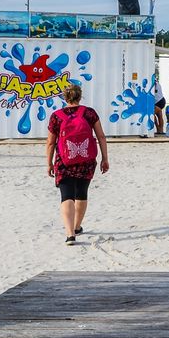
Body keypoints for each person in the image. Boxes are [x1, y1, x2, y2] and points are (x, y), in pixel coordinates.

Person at [46, 86, 108, 243]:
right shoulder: (89, 113)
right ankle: (77, 226)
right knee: (81, 192)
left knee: (66, 195)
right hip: (86, 159)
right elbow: (101, 136)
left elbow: (50, 143)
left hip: (64, 160)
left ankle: (70, 234)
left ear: (65, 98)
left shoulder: (56, 116)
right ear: (80, 97)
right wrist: (105, 158)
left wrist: (49, 163)